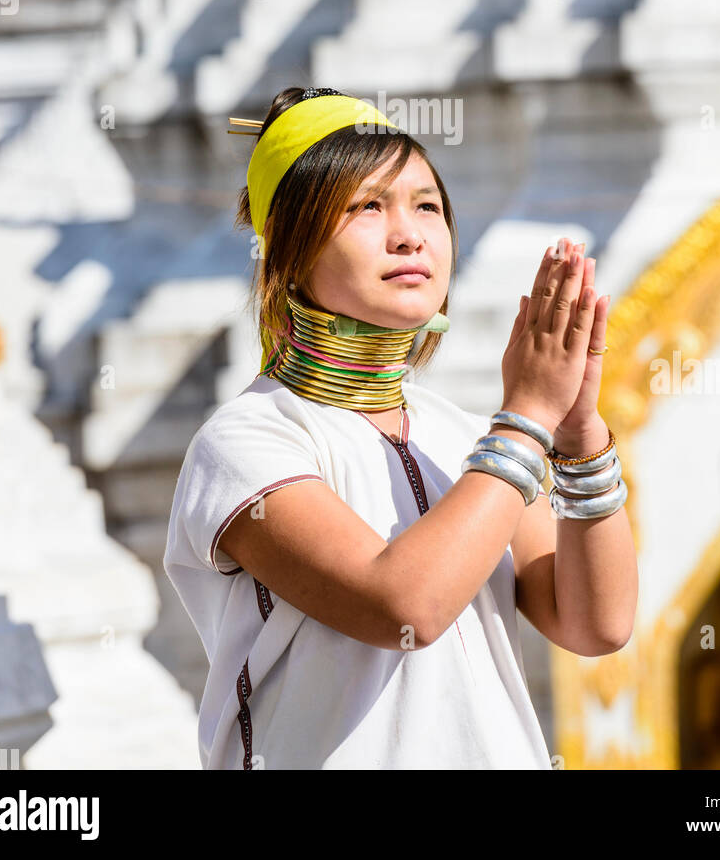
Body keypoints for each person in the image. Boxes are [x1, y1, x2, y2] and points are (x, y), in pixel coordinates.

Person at [164, 86, 638, 769]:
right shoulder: (247, 442)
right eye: (365, 207)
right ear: (291, 253)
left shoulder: (463, 436)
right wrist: (528, 420)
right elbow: (404, 609)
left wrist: (578, 434)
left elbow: (596, 625)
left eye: (426, 205)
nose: (409, 233)